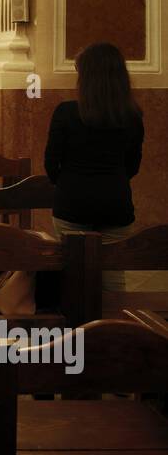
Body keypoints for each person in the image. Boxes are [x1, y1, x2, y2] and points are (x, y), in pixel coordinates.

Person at [44, 42, 144, 290]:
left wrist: (70, 181)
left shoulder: (66, 112)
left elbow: (50, 163)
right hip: (115, 203)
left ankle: (74, 328)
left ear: (86, 78)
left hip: (72, 202)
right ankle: (112, 327)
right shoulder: (132, 116)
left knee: (70, 278)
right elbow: (132, 166)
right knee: (112, 279)